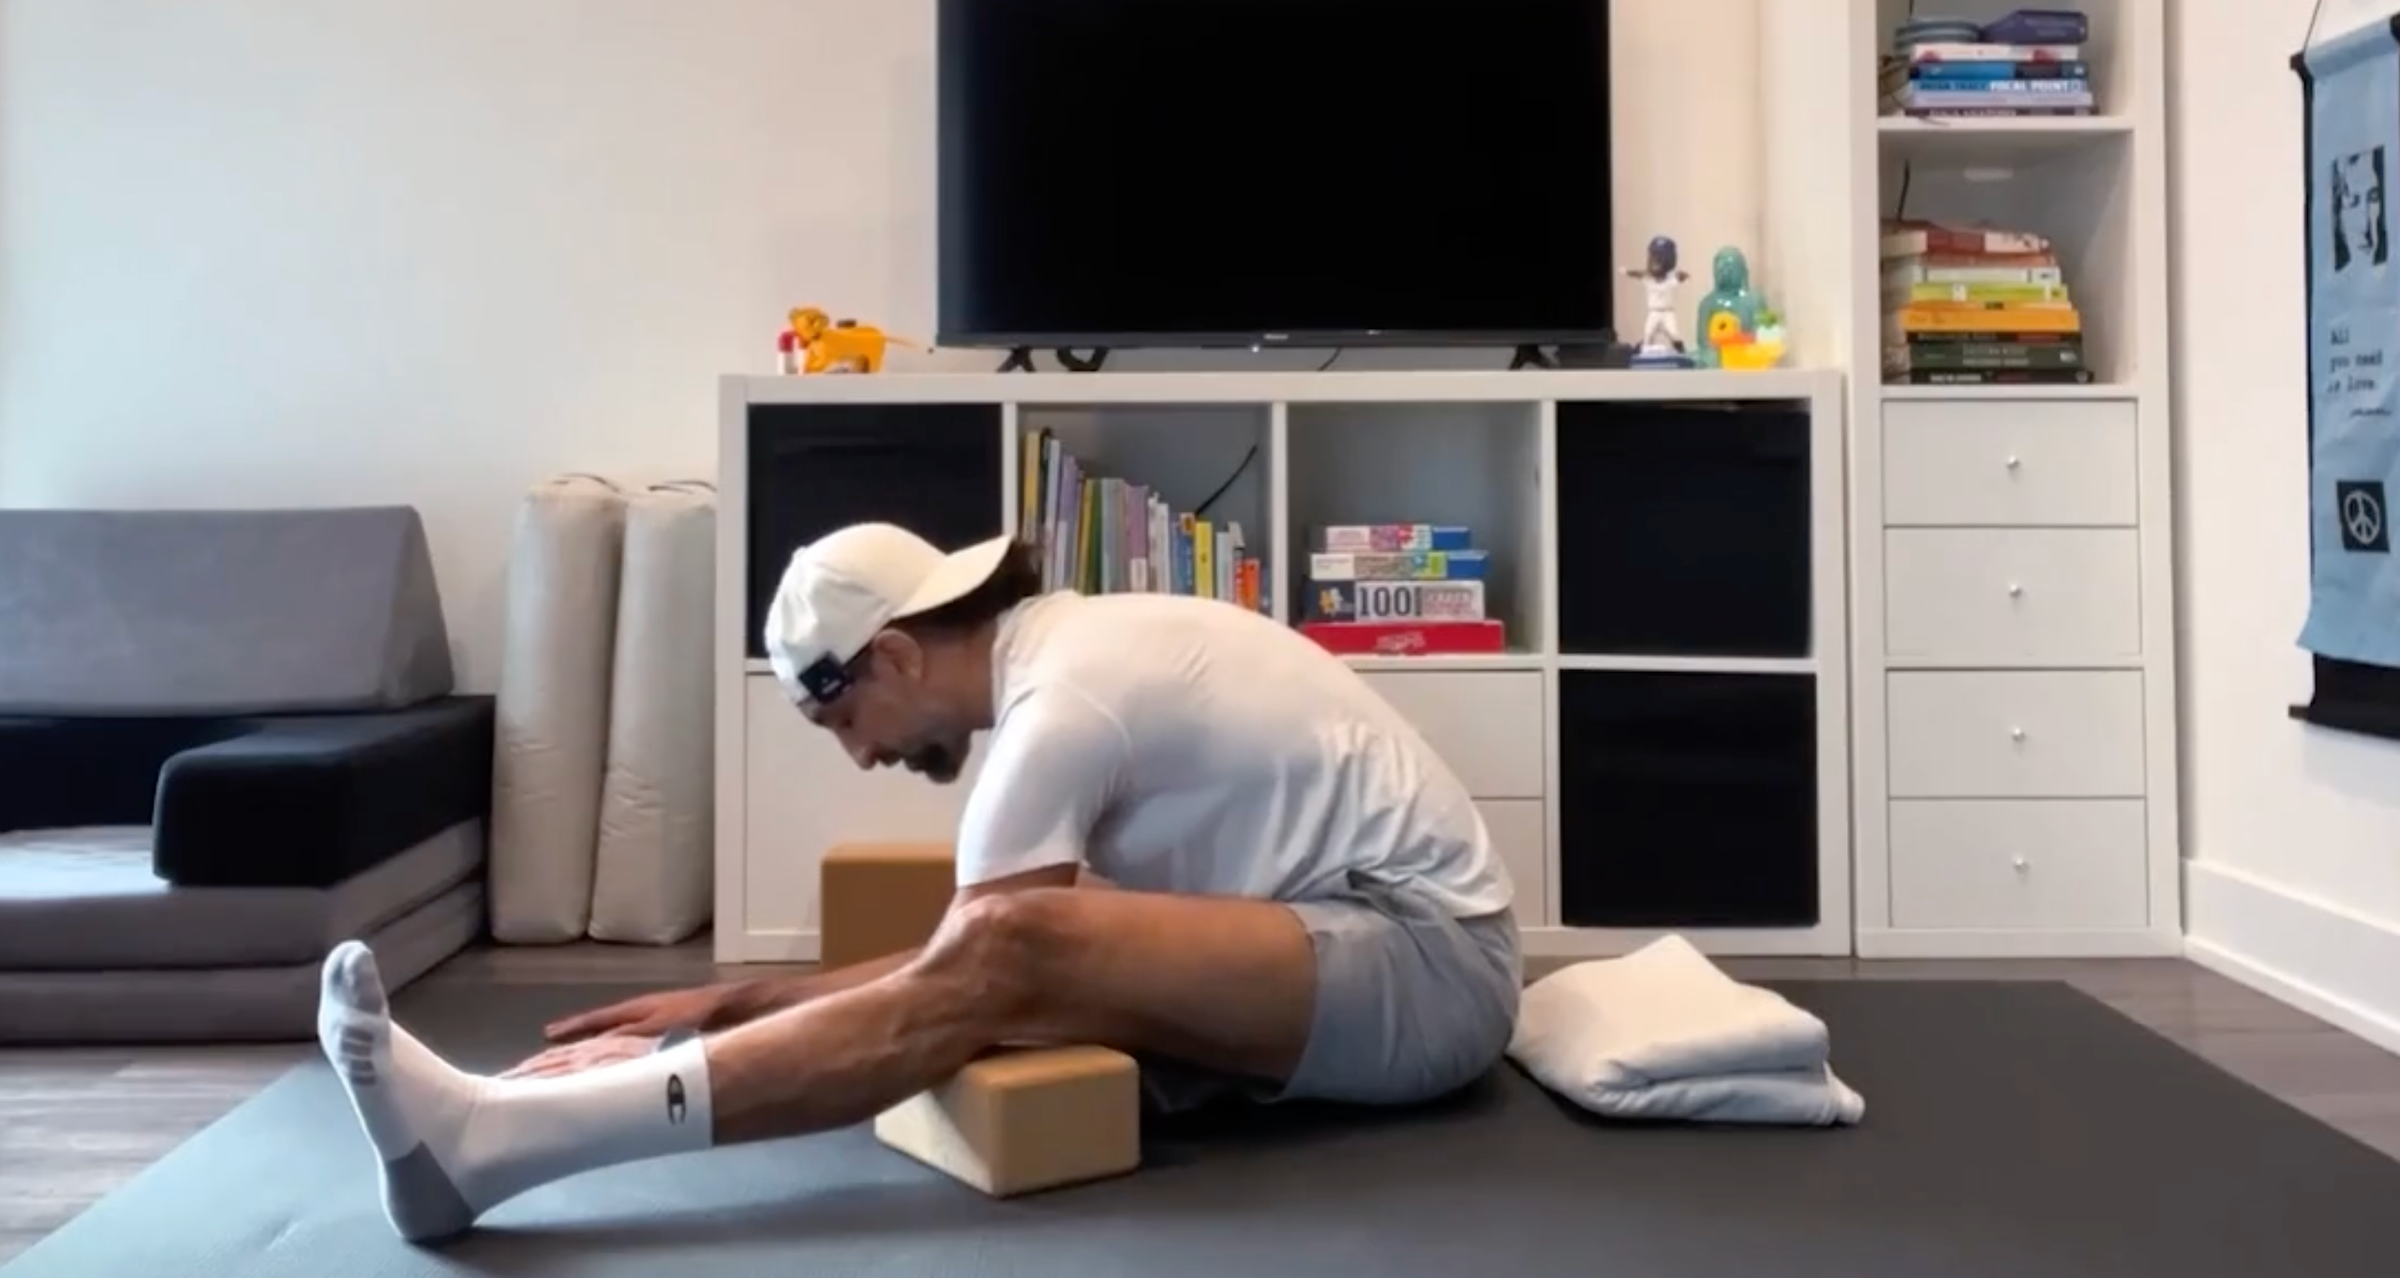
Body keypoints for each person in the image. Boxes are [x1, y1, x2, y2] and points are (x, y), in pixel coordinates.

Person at [316, 521, 1521, 1243]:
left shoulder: (1064, 703)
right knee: (1032, 944)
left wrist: (719, 1019)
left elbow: (984, 965)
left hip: (1430, 961)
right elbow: (975, 966)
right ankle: (491, 1133)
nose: (861, 756)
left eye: (844, 721)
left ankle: (496, 1144)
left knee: (1019, 950)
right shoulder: (1075, 651)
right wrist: (731, 1002)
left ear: (892, 654)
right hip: (1346, 938)